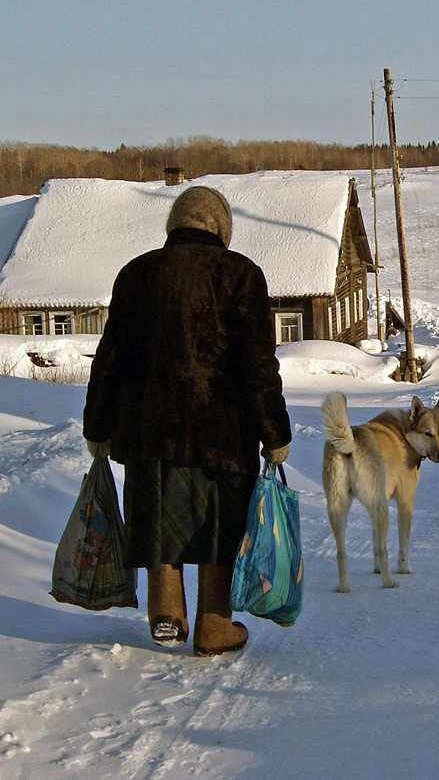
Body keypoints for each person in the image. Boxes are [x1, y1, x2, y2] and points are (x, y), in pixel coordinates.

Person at [83, 185, 291, 656]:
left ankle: (165, 615)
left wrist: (97, 426)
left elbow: (109, 358)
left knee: (159, 518)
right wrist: (274, 432)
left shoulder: (136, 273)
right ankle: (214, 628)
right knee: (218, 531)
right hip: (223, 436)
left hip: (147, 434)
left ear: (174, 227)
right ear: (221, 229)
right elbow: (258, 365)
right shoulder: (240, 275)